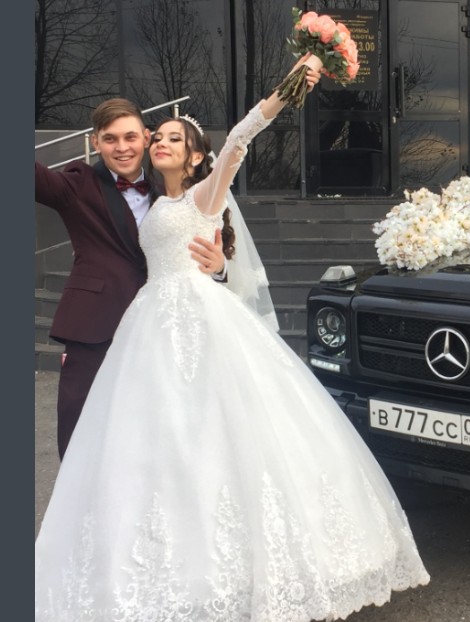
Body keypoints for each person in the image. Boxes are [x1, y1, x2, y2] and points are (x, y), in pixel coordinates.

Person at [34, 53, 430, 621]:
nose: (154, 144)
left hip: (197, 319)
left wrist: (289, 88)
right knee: (144, 445)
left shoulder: (203, 191)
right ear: (101, 143)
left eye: (167, 138)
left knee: (221, 435)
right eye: (153, 137)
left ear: (193, 154)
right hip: (139, 326)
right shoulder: (138, 195)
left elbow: (240, 140)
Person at [35, 98, 227, 460]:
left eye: (130, 137)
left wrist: (218, 266)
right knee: (80, 433)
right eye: (110, 139)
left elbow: (199, 249)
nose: (121, 147)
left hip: (160, 332)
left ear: (146, 137)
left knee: (153, 437)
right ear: (95, 142)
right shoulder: (77, 183)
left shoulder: (169, 188)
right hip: (94, 328)